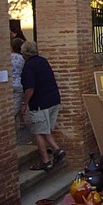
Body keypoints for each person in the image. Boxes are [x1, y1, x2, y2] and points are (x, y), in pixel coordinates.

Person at [20, 41, 66, 171]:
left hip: (40, 103)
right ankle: (57, 151)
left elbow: (30, 88)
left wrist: (24, 104)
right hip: (53, 100)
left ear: (25, 53)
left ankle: (46, 160)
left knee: (38, 131)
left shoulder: (28, 66)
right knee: (45, 129)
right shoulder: (43, 61)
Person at [11, 38, 26, 128]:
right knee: (17, 104)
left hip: (8, 83)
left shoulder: (7, 57)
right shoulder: (22, 59)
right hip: (19, 83)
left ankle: (22, 122)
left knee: (16, 103)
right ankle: (10, 123)